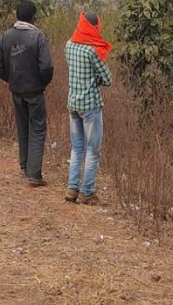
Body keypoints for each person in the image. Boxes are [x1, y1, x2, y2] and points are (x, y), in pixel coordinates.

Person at [0, 1, 54, 187]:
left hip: (17, 90)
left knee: (22, 126)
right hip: (34, 90)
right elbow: (47, 67)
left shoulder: (6, 36)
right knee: (37, 128)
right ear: (33, 16)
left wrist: (11, 79)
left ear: (17, 16)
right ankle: (34, 173)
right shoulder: (38, 37)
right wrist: (41, 82)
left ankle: (24, 166)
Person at [64, 11, 112, 204]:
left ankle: (72, 189)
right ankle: (88, 192)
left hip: (73, 103)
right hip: (90, 106)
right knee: (93, 149)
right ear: (93, 27)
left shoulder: (69, 45)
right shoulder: (91, 50)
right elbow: (108, 78)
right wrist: (97, 79)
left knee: (77, 148)